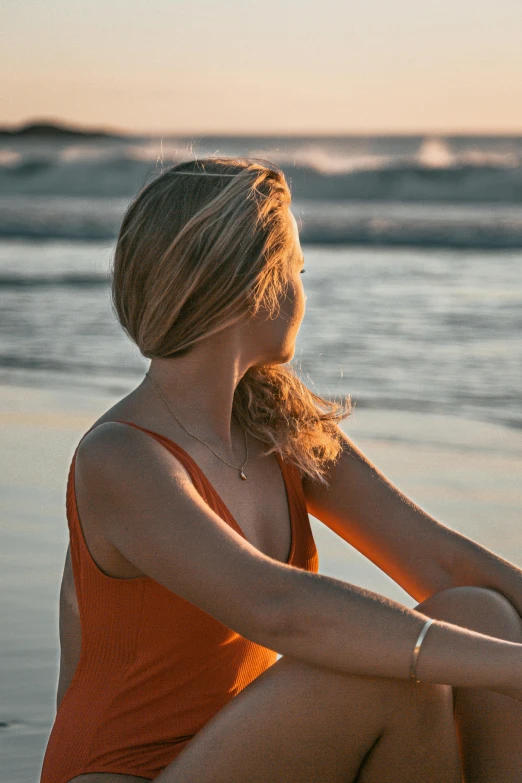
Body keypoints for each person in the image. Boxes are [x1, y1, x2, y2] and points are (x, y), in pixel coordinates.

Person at [40, 158, 522, 783]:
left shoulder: (276, 426)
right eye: (296, 270)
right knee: (386, 675)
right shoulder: (121, 456)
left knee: (477, 610)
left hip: (257, 751)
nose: (302, 289)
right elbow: (279, 607)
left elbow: (439, 561)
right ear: (249, 286)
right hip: (129, 771)